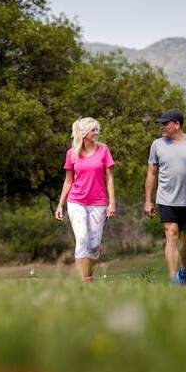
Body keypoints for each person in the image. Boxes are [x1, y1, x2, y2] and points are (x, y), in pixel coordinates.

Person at [144, 108, 186, 286]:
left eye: (165, 124)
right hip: (166, 199)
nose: (162, 127)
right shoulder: (157, 145)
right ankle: (174, 278)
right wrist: (148, 200)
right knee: (171, 234)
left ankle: (183, 271)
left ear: (177, 124)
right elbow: (151, 173)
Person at [55, 117, 116, 283]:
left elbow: (109, 178)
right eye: (93, 130)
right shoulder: (71, 154)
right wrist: (60, 205)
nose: (96, 133)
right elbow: (68, 181)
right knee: (81, 239)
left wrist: (112, 203)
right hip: (76, 202)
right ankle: (84, 280)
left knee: (94, 245)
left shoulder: (103, 150)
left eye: (97, 129)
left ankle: (88, 275)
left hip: (98, 203)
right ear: (84, 133)